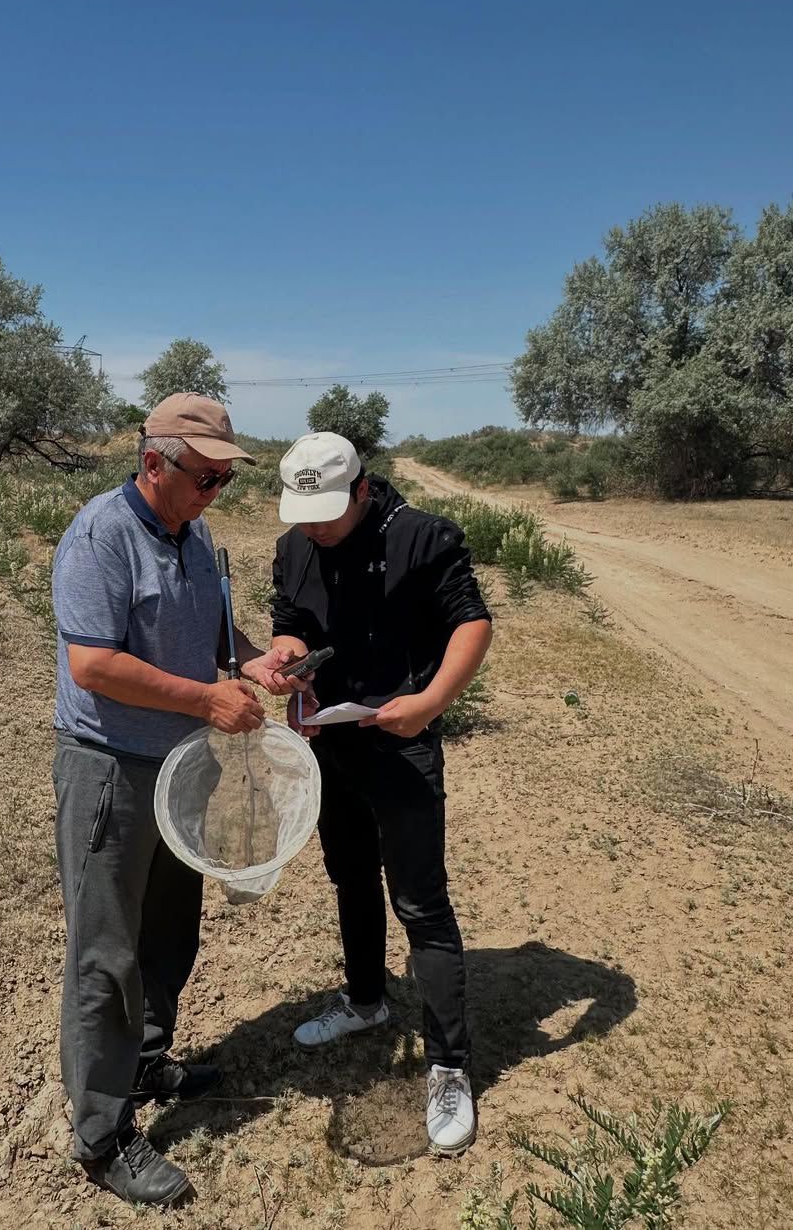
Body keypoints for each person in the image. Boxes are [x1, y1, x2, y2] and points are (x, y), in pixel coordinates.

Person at [51, 394, 299, 1207]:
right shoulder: (100, 536)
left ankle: (149, 1059)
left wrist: (261, 663)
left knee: (167, 933)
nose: (215, 491)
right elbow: (93, 664)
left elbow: (220, 644)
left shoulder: (197, 540)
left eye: (225, 479)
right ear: (154, 461)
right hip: (110, 769)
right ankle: (102, 1134)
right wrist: (205, 700)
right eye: (205, 477)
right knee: (106, 953)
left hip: (177, 767)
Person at [270, 432, 492, 1157]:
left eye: (328, 515)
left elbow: (472, 623)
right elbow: (293, 623)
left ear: (364, 490)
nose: (315, 529)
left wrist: (429, 702)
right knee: (351, 880)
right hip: (331, 743)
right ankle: (365, 1001)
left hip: (402, 745)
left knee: (421, 903)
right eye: (304, 515)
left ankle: (449, 1064)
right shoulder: (295, 545)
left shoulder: (425, 538)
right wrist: (287, 659)